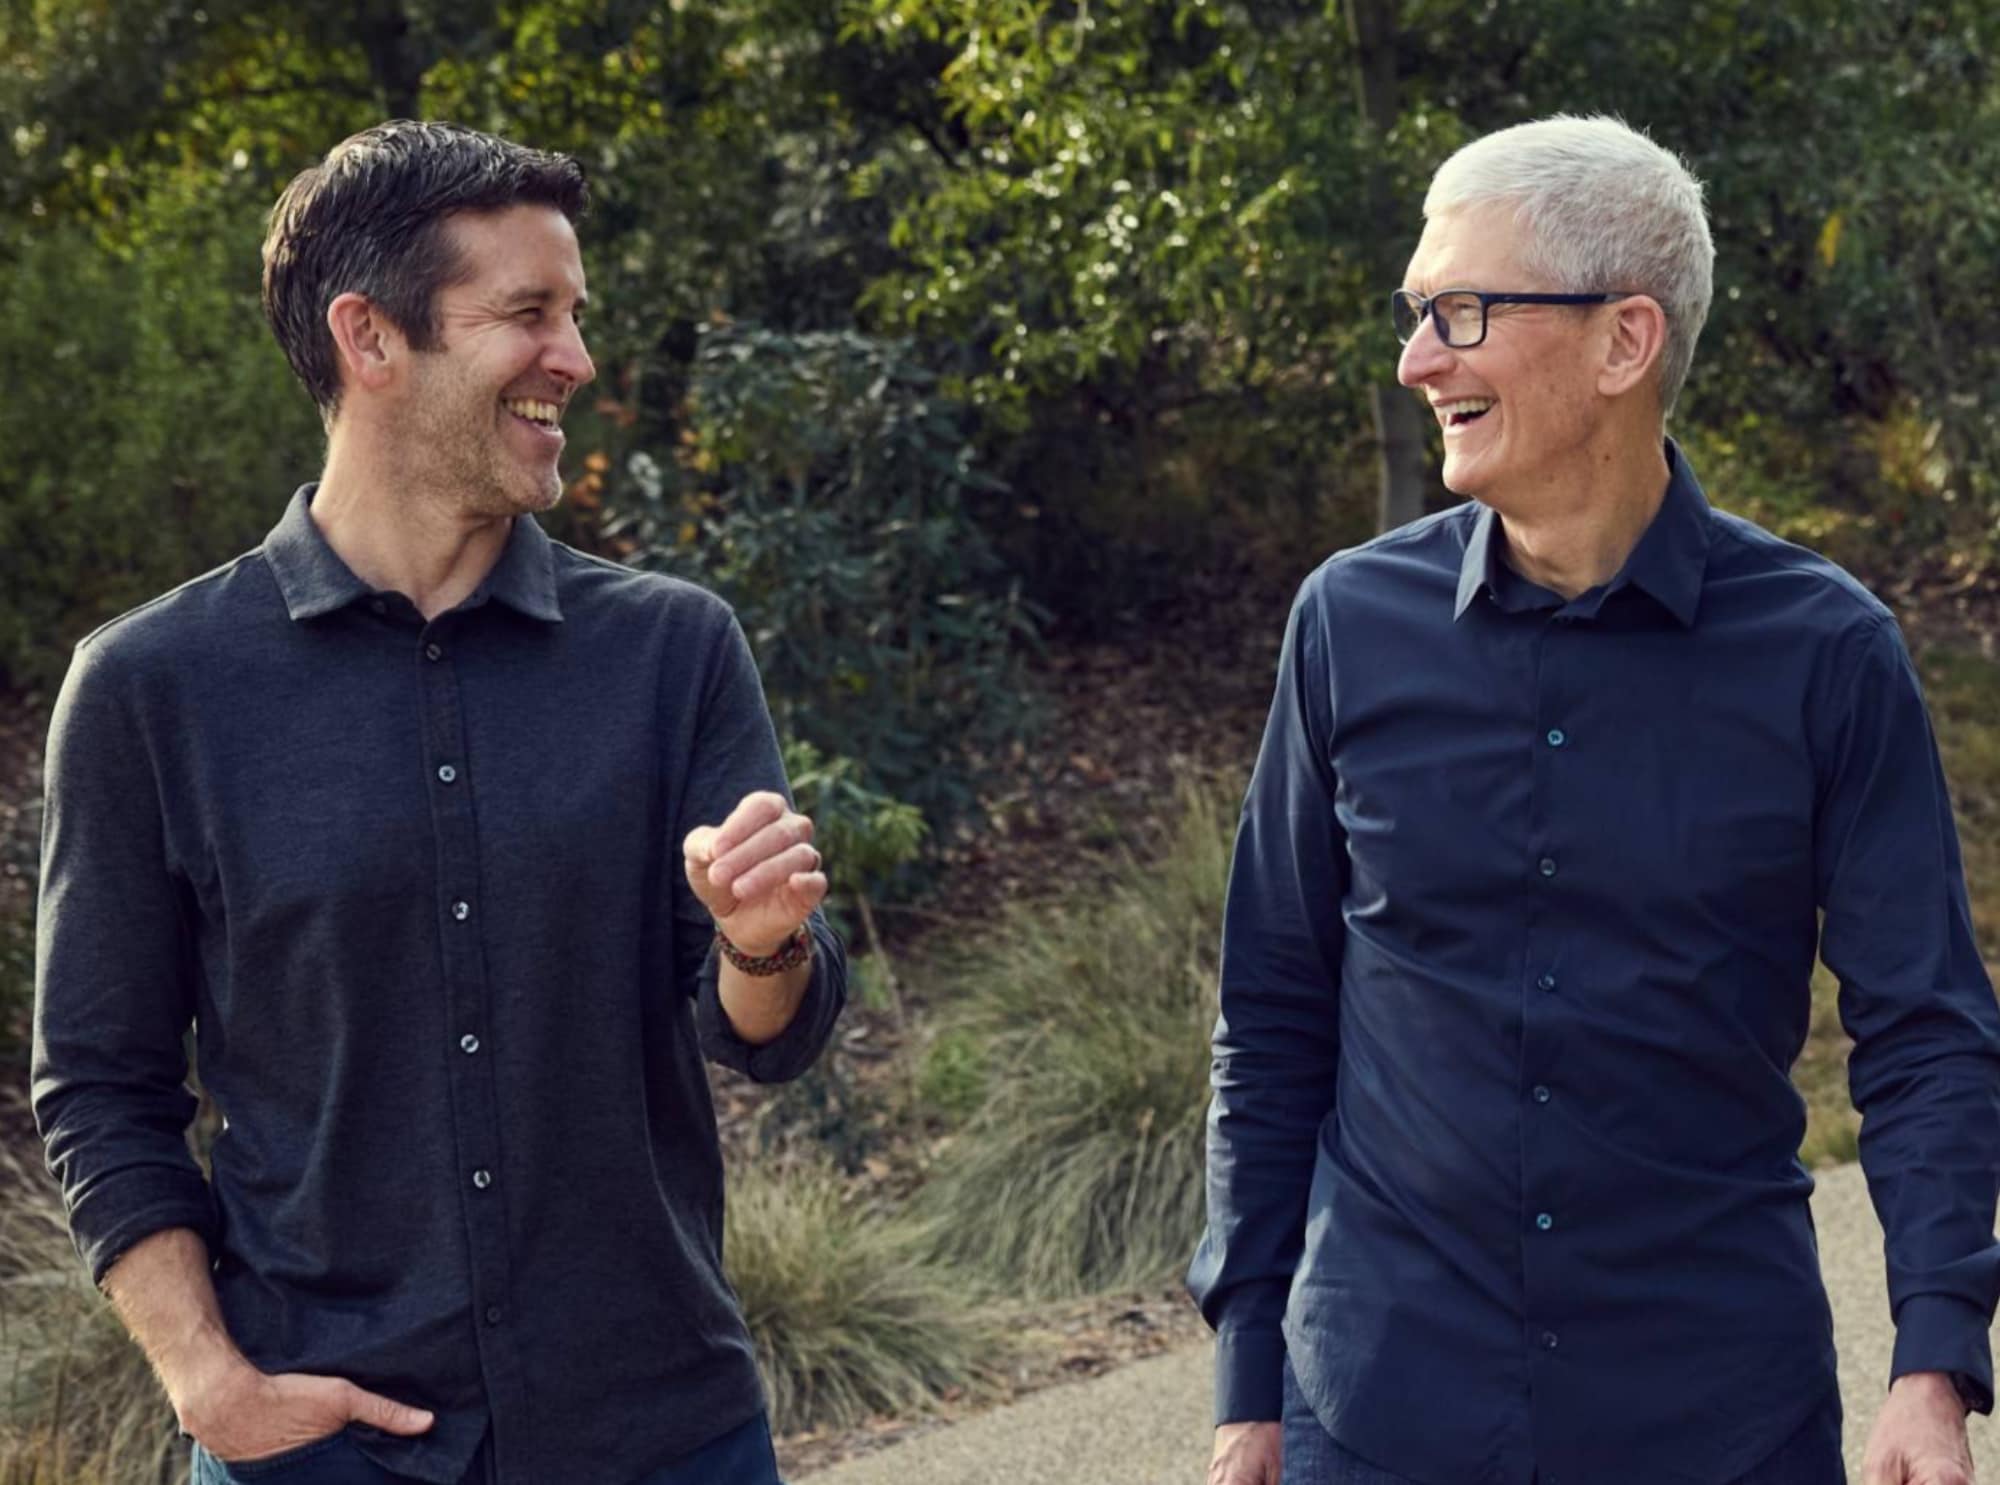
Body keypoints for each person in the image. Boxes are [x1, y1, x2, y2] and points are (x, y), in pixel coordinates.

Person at [32, 120, 847, 1485]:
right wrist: (208, 1382)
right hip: (317, 1452)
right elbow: (100, 1084)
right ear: (370, 337)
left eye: (575, 315)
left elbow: (765, 1036)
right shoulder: (148, 688)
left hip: (660, 1432)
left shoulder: (671, 650)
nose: (575, 359)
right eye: (528, 314)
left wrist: (760, 942)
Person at [1191, 114, 2000, 1485]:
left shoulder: (1828, 653)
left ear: (1625, 341)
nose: (1417, 359)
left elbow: (1923, 1029)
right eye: (1415, 313)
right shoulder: (1347, 624)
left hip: (1717, 1425)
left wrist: (1933, 1364)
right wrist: (1246, 1384)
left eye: (1463, 311)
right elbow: (1270, 1014)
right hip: (1380, 1414)